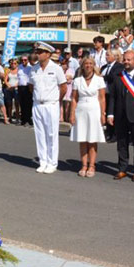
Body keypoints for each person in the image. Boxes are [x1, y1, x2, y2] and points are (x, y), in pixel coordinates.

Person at [107, 51, 134, 182]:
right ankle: (122, 169)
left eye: (129, 60)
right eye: (125, 60)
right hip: (120, 116)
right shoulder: (117, 76)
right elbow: (113, 97)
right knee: (121, 144)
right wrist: (110, 113)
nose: (126, 62)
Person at [30, 42, 67, 174]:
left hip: (51, 104)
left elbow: (63, 87)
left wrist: (57, 100)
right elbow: (31, 86)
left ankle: (52, 162)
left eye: (40, 52)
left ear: (48, 54)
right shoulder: (34, 68)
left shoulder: (56, 68)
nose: (38, 54)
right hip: (37, 104)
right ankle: (43, 161)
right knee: (39, 134)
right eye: (37, 52)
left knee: (51, 134)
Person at [69, 57, 106, 177]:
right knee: (83, 139)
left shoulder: (99, 80)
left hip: (94, 110)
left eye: (90, 63)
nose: (88, 66)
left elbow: (102, 98)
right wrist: (72, 114)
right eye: (86, 64)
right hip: (81, 110)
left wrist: (102, 114)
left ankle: (92, 165)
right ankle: (84, 165)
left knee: (92, 139)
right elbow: (74, 99)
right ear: (82, 66)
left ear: (94, 65)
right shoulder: (77, 80)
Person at [17, 54, 33, 127]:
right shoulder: (19, 67)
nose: (23, 61)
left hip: (28, 87)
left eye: (25, 60)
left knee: (28, 104)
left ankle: (28, 119)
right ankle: (23, 120)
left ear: (28, 60)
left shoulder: (31, 67)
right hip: (20, 87)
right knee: (22, 104)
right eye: (22, 60)